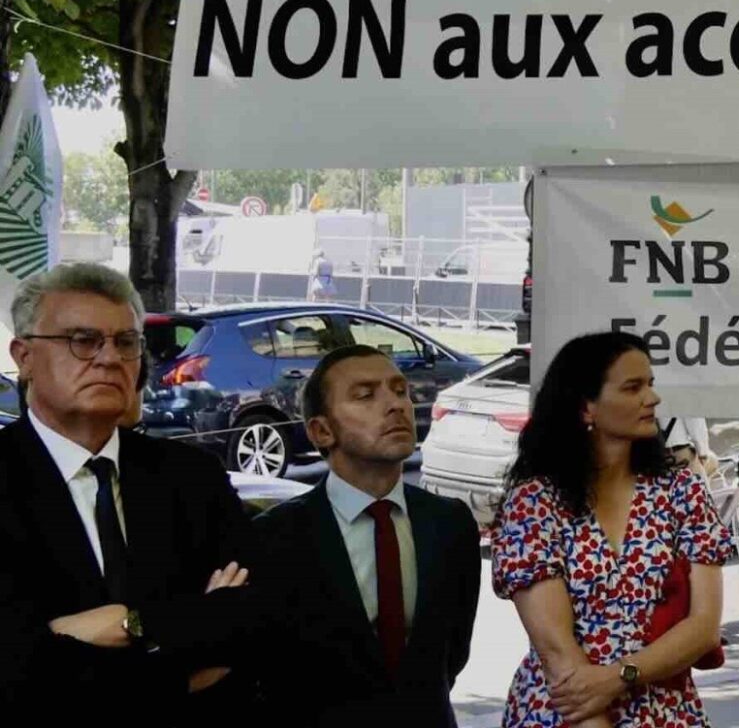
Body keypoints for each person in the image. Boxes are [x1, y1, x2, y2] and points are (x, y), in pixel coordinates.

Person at [0, 263, 255, 720]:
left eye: (126, 342)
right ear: (24, 357)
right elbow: (15, 668)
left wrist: (129, 623)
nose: (109, 358)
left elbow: (245, 620)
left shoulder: (191, 476)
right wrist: (180, 670)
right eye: (83, 340)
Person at [493, 331, 731, 728]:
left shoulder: (682, 490)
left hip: (665, 711)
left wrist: (622, 675)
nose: (652, 399)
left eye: (651, 385)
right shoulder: (534, 501)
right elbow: (557, 654)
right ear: (587, 407)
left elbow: (705, 629)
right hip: (565, 710)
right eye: (633, 387)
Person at [245, 344, 481, 725]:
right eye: (366, 395)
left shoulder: (449, 524)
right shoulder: (275, 537)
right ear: (321, 431)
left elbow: (451, 654)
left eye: (400, 390)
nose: (396, 405)